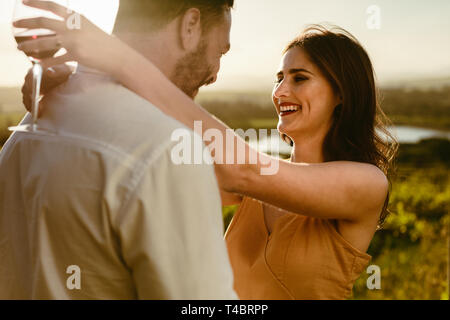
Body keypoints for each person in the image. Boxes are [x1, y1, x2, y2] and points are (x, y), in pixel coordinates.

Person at [17, 2, 398, 300]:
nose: (281, 92)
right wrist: (81, 93)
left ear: (342, 94)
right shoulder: (258, 181)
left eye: (299, 79)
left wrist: (116, 56)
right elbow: (139, 171)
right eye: (279, 78)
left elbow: (239, 168)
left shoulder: (366, 183)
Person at [0, 0, 238, 300]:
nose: (215, 73)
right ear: (190, 25)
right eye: (220, 52)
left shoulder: (32, 123)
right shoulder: (164, 150)